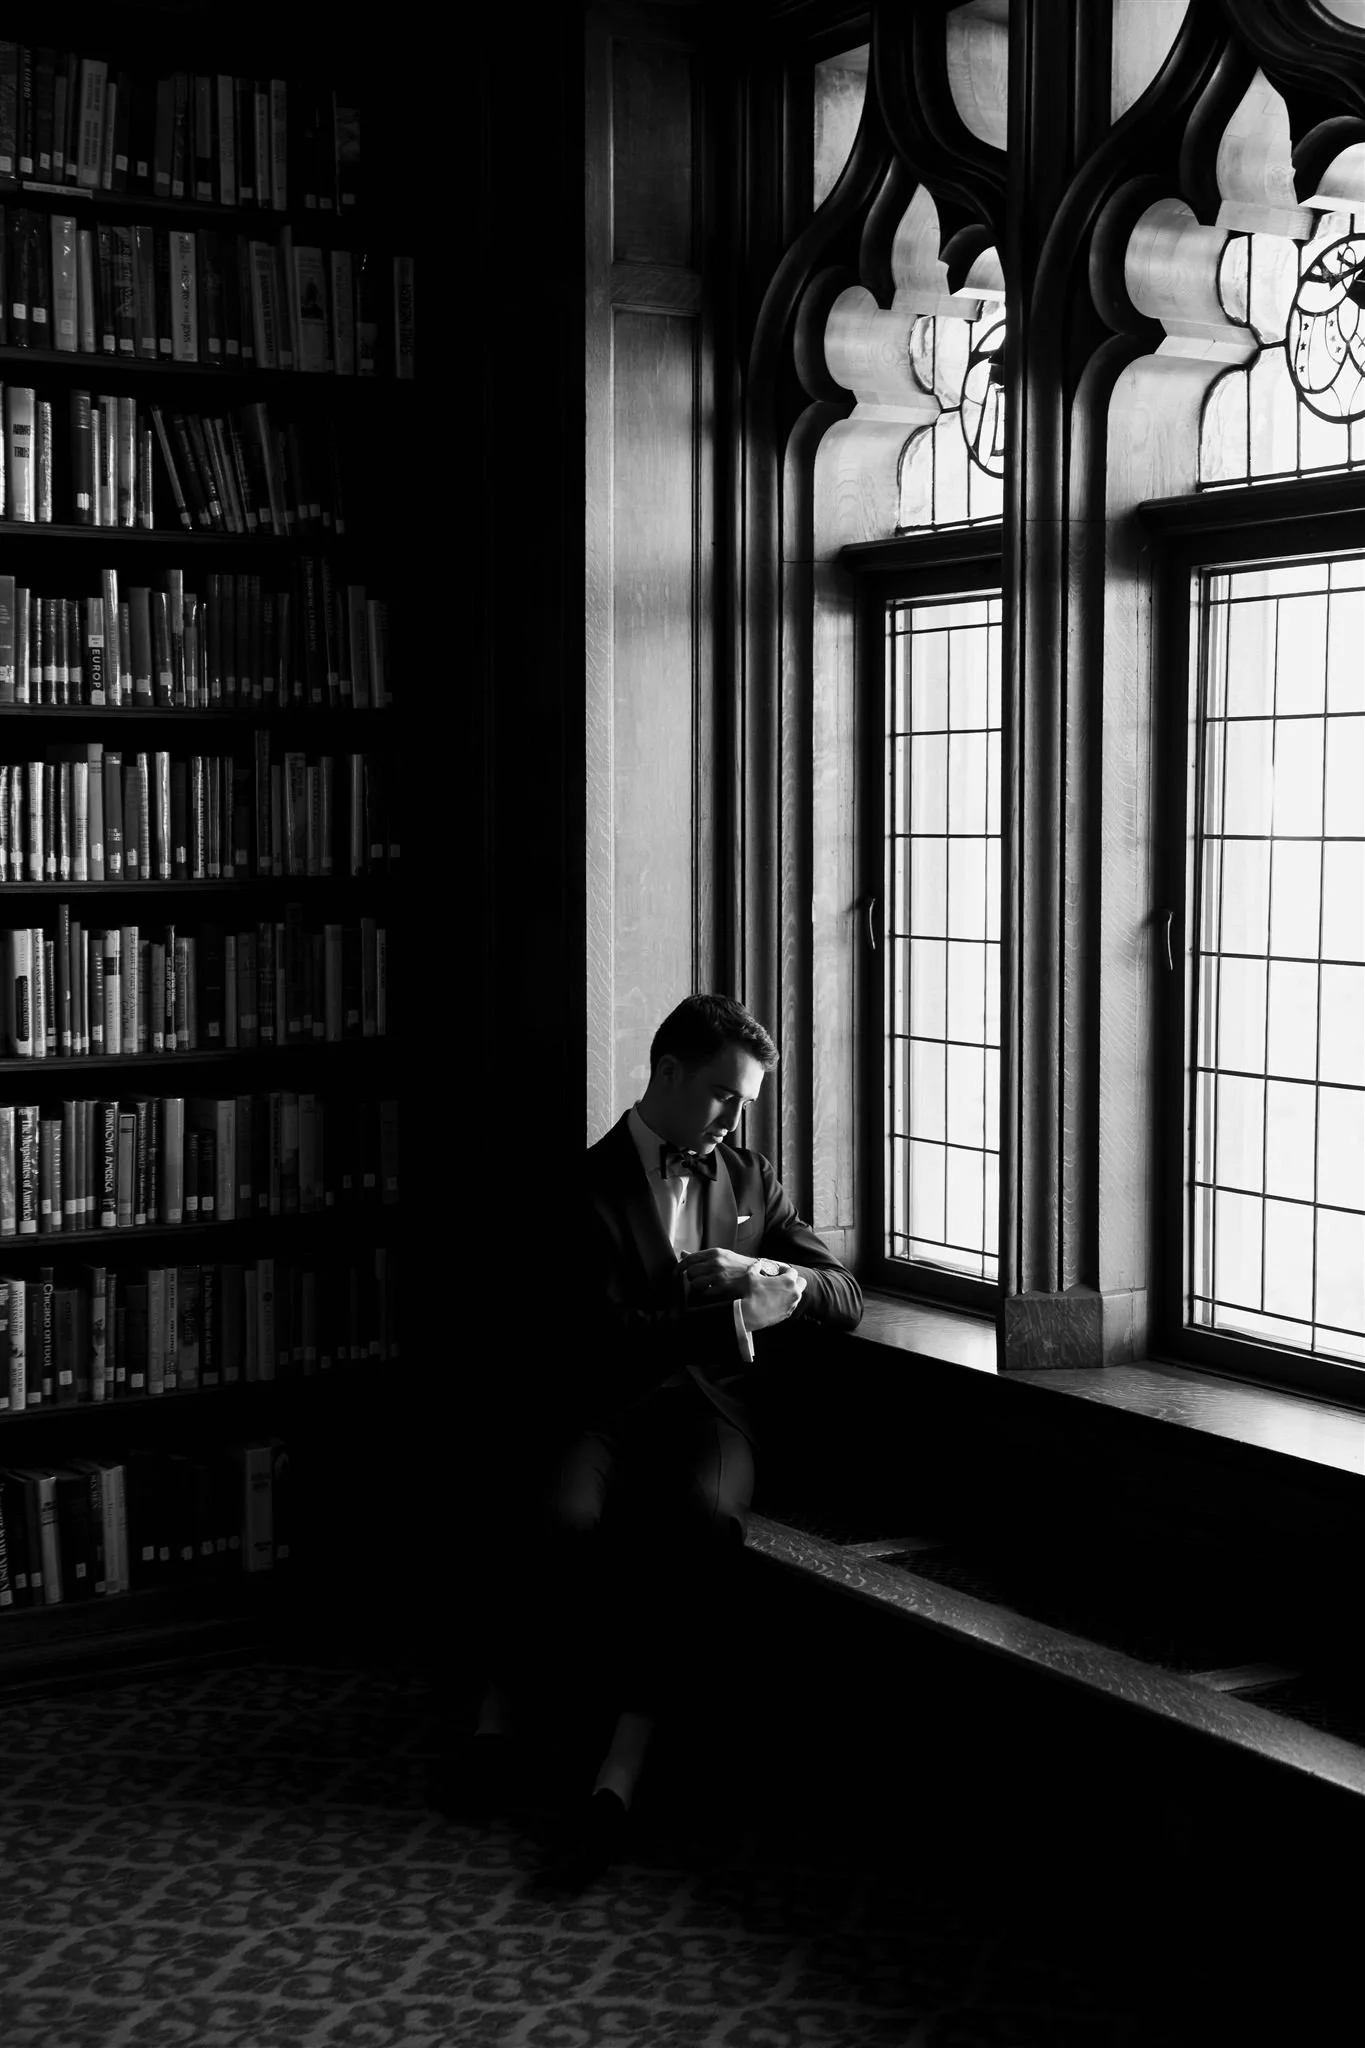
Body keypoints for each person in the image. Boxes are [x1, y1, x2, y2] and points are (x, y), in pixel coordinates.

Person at [455, 993, 862, 1880]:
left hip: (709, 1414)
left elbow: (844, 1296)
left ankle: (622, 1768)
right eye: (724, 1094)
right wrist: (727, 1318)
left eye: (746, 1100)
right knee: (559, 1518)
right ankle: (504, 1706)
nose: (736, 1116)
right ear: (668, 1074)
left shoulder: (752, 1182)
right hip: (598, 1403)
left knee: (705, 1524)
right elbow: (598, 1339)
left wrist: (755, 1267)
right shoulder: (578, 1187)